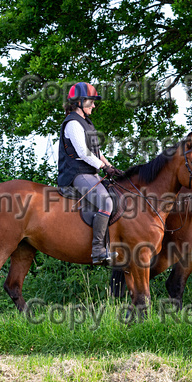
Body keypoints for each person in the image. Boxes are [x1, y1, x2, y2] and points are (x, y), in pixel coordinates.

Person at [58, 81, 123, 264]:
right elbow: (83, 153)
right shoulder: (72, 123)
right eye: (91, 102)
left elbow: (96, 152)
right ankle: (98, 251)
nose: (94, 105)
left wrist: (110, 166)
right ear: (79, 102)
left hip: (90, 172)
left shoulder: (86, 123)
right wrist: (103, 168)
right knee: (106, 202)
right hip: (77, 174)